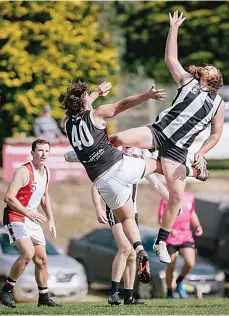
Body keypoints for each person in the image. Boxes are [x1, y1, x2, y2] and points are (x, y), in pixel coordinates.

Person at [109, 11, 225, 265]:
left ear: (214, 79)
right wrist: (173, 28)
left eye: (210, 69)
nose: (205, 69)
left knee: (176, 198)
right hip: (159, 132)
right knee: (117, 138)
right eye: (205, 68)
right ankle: (88, 153)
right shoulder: (188, 82)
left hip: (178, 149)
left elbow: (216, 134)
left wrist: (201, 153)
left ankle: (161, 241)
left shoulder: (218, 104)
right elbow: (170, 58)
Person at [62, 79, 167, 284]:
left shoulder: (67, 125)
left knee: (127, 219)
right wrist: (147, 96)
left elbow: (76, 110)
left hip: (102, 181)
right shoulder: (97, 113)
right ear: (85, 101)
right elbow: (124, 104)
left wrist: (93, 94)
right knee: (160, 165)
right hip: (119, 166)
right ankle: (195, 170)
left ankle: (139, 250)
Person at [91, 146, 169, 306]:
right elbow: (95, 185)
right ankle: (114, 294)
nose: (127, 147)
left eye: (130, 145)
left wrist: (173, 201)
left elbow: (155, 184)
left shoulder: (136, 164)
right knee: (125, 249)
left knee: (133, 254)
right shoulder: (113, 162)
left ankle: (129, 296)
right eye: (125, 145)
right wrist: (98, 207)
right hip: (116, 210)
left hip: (132, 215)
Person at [0, 139, 61, 308]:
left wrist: (52, 220)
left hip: (31, 217)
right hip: (15, 216)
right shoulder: (23, 171)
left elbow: (44, 197)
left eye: (46, 151)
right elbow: (9, 197)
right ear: (32, 152)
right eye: (39, 150)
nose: (43, 154)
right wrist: (29, 213)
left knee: (42, 259)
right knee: (28, 253)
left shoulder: (46, 171)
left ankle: (44, 297)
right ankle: (6, 289)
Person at [158, 191, 203, 299]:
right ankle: (169, 292)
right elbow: (160, 219)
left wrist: (197, 226)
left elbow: (192, 212)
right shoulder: (166, 198)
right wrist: (170, 230)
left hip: (186, 236)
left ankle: (179, 282)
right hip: (171, 238)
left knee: (190, 263)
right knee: (171, 266)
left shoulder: (190, 197)